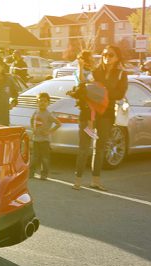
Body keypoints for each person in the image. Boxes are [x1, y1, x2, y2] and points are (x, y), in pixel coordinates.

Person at [73, 45, 128, 191]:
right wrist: (100, 91)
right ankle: (77, 180)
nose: (107, 57)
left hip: (107, 113)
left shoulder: (121, 74)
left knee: (100, 147)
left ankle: (95, 181)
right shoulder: (95, 71)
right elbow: (83, 86)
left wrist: (101, 92)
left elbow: (120, 94)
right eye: (104, 54)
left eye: (110, 55)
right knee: (84, 147)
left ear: (117, 58)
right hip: (88, 112)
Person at [30, 92, 62, 180]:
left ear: (48, 103)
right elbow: (32, 119)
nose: (42, 103)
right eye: (40, 101)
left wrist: (49, 132)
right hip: (36, 139)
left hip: (45, 141)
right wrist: (33, 128)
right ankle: (31, 173)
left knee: (45, 159)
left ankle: (44, 174)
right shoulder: (36, 112)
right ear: (37, 102)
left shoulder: (49, 114)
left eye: (44, 101)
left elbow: (59, 123)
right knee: (34, 158)